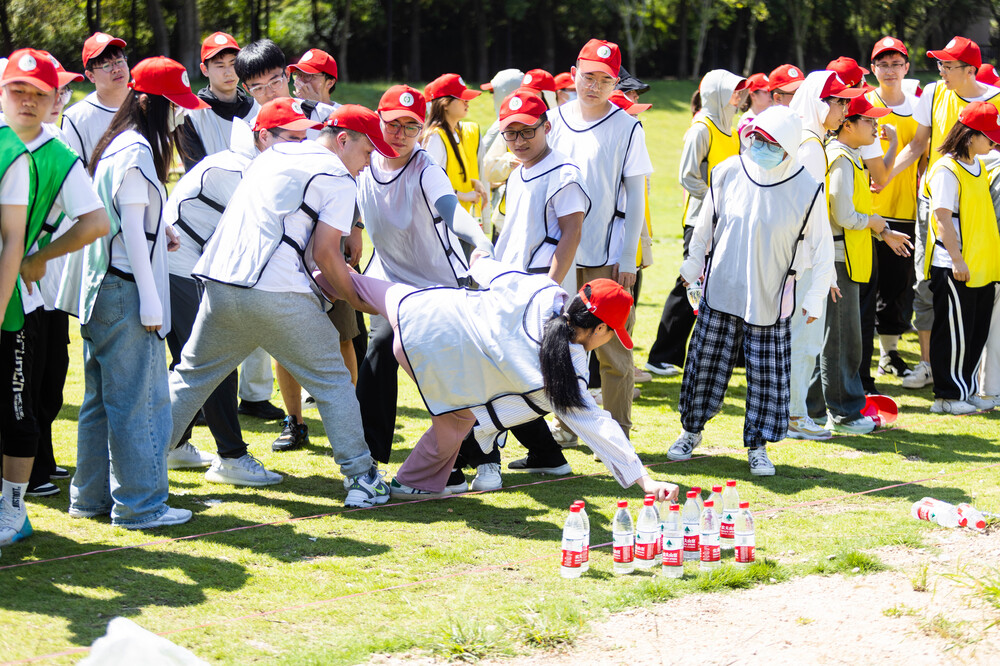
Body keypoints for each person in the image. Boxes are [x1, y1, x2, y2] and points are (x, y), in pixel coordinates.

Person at [167, 105, 396, 508]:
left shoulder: (272, 154)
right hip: (276, 291)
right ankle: (363, 477)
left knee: (190, 379)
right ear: (343, 140)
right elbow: (327, 254)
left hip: (220, 282)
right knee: (332, 380)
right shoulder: (338, 176)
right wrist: (360, 298)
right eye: (367, 153)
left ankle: (135, 469)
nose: (367, 165)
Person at [315, 259, 679, 503]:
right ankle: (410, 482)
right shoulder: (564, 371)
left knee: (356, 283)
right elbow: (598, 426)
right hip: (439, 355)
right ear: (599, 327)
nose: (610, 339)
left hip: (426, 307)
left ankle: (313, 275)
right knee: (456, 420)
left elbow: (489, 267)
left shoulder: (546, 291)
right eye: (611, 332)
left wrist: (478, 254)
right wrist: (646, 481)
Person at [56, 56, 208, 529]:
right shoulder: (139, 151)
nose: (182, 115)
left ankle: (90, 498)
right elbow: (135, 246)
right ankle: (142, 506)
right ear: (152, 103)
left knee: (102, 402)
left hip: (100, 291)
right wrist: (152, 302)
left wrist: (159, 228)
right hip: (125, 292)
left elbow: (130, 225)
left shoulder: (117, 144)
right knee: (140, 402)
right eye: (175, 105)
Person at [163, 97, 322, 485]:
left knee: (199, 364)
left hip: (192, 268)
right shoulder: (242, 171)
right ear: (263, 137)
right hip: (176, 268)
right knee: (211, 365)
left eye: (305, 138)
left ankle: (174, 445)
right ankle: (229, 457)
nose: (302, 147)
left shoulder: (258, 166)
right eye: (292, 138)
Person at [666, 106, 831, 475]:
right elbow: (705, 226)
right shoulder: (727, 172)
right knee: (704, 363)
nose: (759, 146)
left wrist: (815, 296)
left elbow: (821, 249)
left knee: (767, 374)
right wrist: (691, 270)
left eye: (770, 142)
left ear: (788, 147)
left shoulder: (807, 187)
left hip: (771, 295)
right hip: (722, 288)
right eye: (756, 137)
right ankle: (691, 430)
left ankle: (757, 445)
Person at [354, 84, 495, 488]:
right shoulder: (364, 163)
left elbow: (451, 211)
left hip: (441, 287)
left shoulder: (425, 167)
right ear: (377, 122)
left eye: (410, 126)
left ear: (421, 129)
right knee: (378, 352)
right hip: (394, 283)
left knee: (452, 378)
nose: (399, 134)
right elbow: (358, 211)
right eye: (392, 124)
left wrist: (478, 238)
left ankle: (485, 459)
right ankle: (369, 457)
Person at [0, 50, 106, 545]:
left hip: (17, 305)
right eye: (17, 90)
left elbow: (97, 222)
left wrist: (42, 257)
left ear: (53, 102)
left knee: (18, 409)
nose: (26, 101)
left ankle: (14, 509)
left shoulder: (58, 156)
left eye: (37, 94)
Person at [547, 39, 653, 445]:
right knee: (561, 343)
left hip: (604, 256)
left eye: (605, 79)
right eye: (588, 76)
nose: (594, 85)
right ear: (574, 73)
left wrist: (627, 258)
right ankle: (566, 424)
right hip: (557, 253)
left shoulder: (627, 127)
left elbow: (636, 198)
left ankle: (618, 434)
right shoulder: (553, 121)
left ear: (615, 84)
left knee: (612, 352)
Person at [489, 89, 590, 481]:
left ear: (546, 127)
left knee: (519, 376)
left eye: (526, 132)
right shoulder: (519, 172)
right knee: (511, 375)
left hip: (537, 288)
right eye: (510, 134)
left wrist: (548, 287)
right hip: (510, 285)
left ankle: (592, 447)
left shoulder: (564, 173)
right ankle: (545, 453)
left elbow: (571, 233)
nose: (518, 141)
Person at [889, 36, 1000, 391]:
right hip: (935, 204)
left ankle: (973, 374)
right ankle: (929, 365)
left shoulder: (995, 100)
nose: (941, 71)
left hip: (982, 207)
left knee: (980, 285)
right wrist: (887, 175)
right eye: (940, 64)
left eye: (948, 66)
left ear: (970, 69)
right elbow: (918, 144)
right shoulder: (934, 93)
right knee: (928, 282)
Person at [806, 95, 912, 433]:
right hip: (839, 261)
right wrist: (876, 224)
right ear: (848, 125)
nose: (875, 125)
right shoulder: (840, 158)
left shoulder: (850, 156)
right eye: (868, 120)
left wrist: (884, 232)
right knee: (842, 339)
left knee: (838, 337)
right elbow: (843, 215)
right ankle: (845, 414)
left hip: (848, 258)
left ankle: (818, 409)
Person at [645, 68, 747, 378]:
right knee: (690, 283)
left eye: (741, 90)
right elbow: (687, 177)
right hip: (700, 221)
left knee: (717, 285)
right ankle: (662, 354)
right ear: (716, 93)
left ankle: (720, 355)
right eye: (735, 90)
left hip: (725, 221)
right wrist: (718, 203)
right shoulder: (702, 129)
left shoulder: (732, 128)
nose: (740, 96)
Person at [783, 70, 863, 440]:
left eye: (847, 101)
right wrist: (824, 269)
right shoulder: (811, 145)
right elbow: (810, 215)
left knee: (800, 336)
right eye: (839, 101)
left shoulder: (805, 138)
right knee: (806, 337)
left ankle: (793, 413)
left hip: (795, 257)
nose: (844, 109)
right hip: (803, 260)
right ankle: (796, 415)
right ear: (819, 102)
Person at [921, 102, 1000, 413]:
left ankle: (964, 392)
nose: (994, 143)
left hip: (980, 264)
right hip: (954, 264)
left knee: (973, 331)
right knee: (953, 332)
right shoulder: (946, 168)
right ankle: (948, 397)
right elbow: (942, 218)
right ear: (970, 136)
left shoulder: (977, 165)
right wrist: (957, 259)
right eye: (989, 138)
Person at [866, 37, 921, 383]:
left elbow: (920, 149)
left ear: (906, 68)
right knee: (863, 287)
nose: (889, 70)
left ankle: (888, 355)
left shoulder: (917, 109)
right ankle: (858, 360)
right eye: (882, 64)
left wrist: (888, 176)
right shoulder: (864, 104)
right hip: (866, 213)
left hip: (904, 210)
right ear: (873, 69)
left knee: (897, 287)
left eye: (895, 64)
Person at [176, 32, 257, 170]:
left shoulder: (257, 107)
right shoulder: (191, 115)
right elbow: (196, 175)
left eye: (233, 63)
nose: (228, 72)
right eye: (220, 66)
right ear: (204, 69)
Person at [421, 73, 488, 214]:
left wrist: (472, 182)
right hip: (442, 223)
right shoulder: (436, 137)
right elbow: (428, 183)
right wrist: (463, 195)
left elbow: (450, 176)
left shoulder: (453, 133)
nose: (467, 102)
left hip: (454, 220)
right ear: (445, 104)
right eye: (461, 98)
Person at [60, 32, 129, 166]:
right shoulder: (76, 118)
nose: (116, 69)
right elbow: (71, 171)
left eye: (119, 61)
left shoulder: (145, 104)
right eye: (106, 65)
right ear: (91, 76)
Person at [736, 72, 772, 138]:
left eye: (770, 91)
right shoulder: (747, 122)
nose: (769, 95)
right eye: (765, 92)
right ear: (753, 95)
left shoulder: (769, 117)